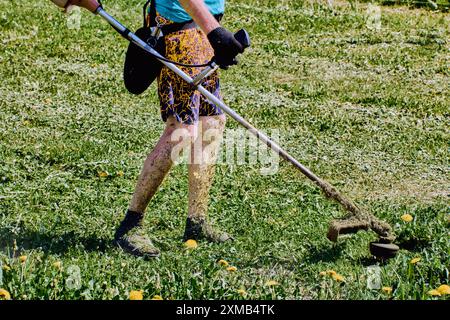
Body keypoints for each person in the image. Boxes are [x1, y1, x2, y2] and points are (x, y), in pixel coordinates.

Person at [113, 0, 244, 258]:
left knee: (211, 123)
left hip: (206, 27)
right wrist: (214, 31)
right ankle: (130, 224)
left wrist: (213, 30)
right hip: (179, 30)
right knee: (182, 130)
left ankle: (197, 221)